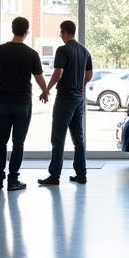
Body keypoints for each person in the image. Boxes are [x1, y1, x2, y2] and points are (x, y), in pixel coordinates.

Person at [0, 16, 48, 192]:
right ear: (27, 31)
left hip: (4, 103)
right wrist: (45, 92)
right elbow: (39, 79)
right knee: (18, 143)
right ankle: (13, 180)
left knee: (1, 141)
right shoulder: (31, 54)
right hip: (23, 103)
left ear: (12, 29)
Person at [38, 19, 93, 186]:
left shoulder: (63, 50)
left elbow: (58, 73)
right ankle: (81, 174)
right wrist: (79, 85)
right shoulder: (84, 50)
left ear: (64, 32)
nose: (60, 35)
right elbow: (89, 74)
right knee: (78, 137)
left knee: (58, 137)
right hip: (79, 98)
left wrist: (47, 89)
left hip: (65, 99)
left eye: (60, 32)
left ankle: (54, 175)